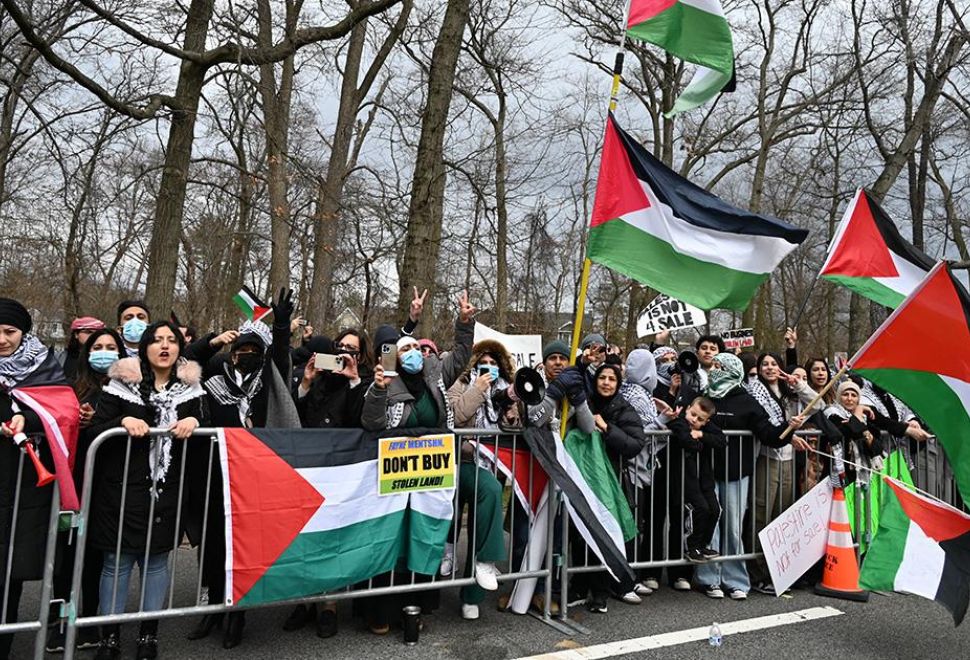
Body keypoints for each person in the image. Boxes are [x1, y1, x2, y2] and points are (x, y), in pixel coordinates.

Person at [87, 321, 207, 660]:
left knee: (156, 562)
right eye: (156, 340)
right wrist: (121, 422)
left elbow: (205, 425)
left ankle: (147, 635)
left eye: (171, 340)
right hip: (121, 490)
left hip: (165, 490)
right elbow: (94, 431)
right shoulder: (120, 384)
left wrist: (195, 422)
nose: (165, 346)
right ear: (144, 347)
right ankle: (108, 637)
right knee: (116, 562)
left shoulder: (192, 389)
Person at [360, 290, 476, 633]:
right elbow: (372, 423)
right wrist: (379, 391)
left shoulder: (435, 374)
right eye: (404, 349)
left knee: (423, 538)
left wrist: (464, 323)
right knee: (391, 542)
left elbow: (461, 355)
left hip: (431, 475)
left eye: (414, 347)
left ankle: (416, 608)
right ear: (394, 357)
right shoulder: (385, 382)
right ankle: (380, 611)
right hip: (393, 478)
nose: (411, 353)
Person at [189, 289, 295, 649]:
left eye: (253, 350)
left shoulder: (269, 379)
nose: (245, 354)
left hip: (255, 477)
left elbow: (281, 354)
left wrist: (280, 325)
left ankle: (238, 613)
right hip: (216, 474)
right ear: (231, 353)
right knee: (215, 542)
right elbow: (185, 361)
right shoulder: (214, 377)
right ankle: (213, 608)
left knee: (246, 544)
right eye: (239, 350)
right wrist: (212, 341)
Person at [692, 353, 804, 601]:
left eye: (720, 366)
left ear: (733, 370)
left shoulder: (748, 401)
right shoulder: (705, 397)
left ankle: (735, 579)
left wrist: (789, 428)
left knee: (732, 527)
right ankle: (709, 578)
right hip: (707, 473)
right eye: (714, 366)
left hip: (736, 473)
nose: (714, 370)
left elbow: (769, 434)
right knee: (711, 527)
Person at [0, 299, 75, 660]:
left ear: (23, 333)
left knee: (7, 575)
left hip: (20, 486)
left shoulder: (42, 368)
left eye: (9, 332)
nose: (1, 339)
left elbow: (63, 412)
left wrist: (27, 421)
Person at [284, 326, 370, 637]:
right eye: (341, 346)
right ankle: (303, 602)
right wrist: (306, 381)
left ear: (360, 355)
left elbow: (364, 419)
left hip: (343, 470)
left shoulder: (363, 381)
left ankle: (329, 605)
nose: (345, 352)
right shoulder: (317, 376)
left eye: (353, 349)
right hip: (310, 465)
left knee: (332, 539)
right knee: (305, 537)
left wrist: (354, 381)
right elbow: (295, 414)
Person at [47, 328, 125, 653]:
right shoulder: (69, 385)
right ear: (86, 352)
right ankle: (58, 620)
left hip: (108, 489)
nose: (104, 352)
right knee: (65, 557)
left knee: (96, 556)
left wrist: (99, 424)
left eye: (111, 347)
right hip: (69, 488)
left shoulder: (127, 388)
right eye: (98, 346)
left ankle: (89, 619)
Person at [444, 339, 513, 620]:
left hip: (492, 466)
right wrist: (476, 390)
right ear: (475, 364)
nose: (489, 367)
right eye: (484, 362)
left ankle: (474, 591)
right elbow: (455, 416)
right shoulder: (460, 385)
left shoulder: (508, 391)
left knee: (483, 517)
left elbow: (511, 427)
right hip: (461, 464)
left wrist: (511, 412)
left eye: (495, 363)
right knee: (480, 495)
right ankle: (447, 558)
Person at [573, 362, 646, 614]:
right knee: (580, 534)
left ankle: (601, 592)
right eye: (602, 378)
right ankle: (579, 584)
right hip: (582, 479)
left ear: (618, 384)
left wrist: (606, 428)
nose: (605, 382)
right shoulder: (583, 404)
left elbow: (635, 443)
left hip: (610, 482)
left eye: (611, 379)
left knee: (604, 535)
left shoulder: (624, 408)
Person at [744, 351, 818, 595]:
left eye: (774, 363)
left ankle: (778, 570)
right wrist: (789, 432)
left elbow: (818, 405)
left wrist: (800, 384)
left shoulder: (789, 392)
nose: (769, 367)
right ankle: (758, 573)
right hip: (767, 457)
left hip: (788, 460)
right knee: (761, 514)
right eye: (764, 364)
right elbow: (767, 428)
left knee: (781, 516)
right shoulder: (756, 391)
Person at [667, 397, 725, 563]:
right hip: (686, 480)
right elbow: (688, 442)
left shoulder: (705, 428)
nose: (694, 420)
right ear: (687, 409)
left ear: (706, 421)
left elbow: (721, 440)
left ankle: (702, 544)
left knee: (715, 510)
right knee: (700, 509)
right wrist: (700, 443)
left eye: (700, 419)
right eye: (693, 414)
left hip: (704, 479)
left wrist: (701, 435)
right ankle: (691, 546)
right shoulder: (678, 422)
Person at [60, 317, 106, 382]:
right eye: (88, 332)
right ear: (76, 334)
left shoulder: (105, 358)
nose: (93, 336)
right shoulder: (62, 358)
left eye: (97, 333)